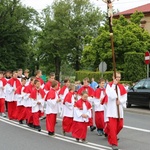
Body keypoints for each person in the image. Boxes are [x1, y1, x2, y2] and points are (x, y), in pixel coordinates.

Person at [105, 72, 127, 150]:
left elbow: (125, 97)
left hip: (119, 110)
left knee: (120, 126)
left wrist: (120, 101)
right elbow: (111, 96)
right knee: (113, 128)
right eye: (116, 77)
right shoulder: (109, 86)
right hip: (112, 110)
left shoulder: (121, 86)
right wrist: (114, 85)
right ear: (113, 77)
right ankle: (114, 143)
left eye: (119, 77)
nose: (118, 78)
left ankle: (110, 134)